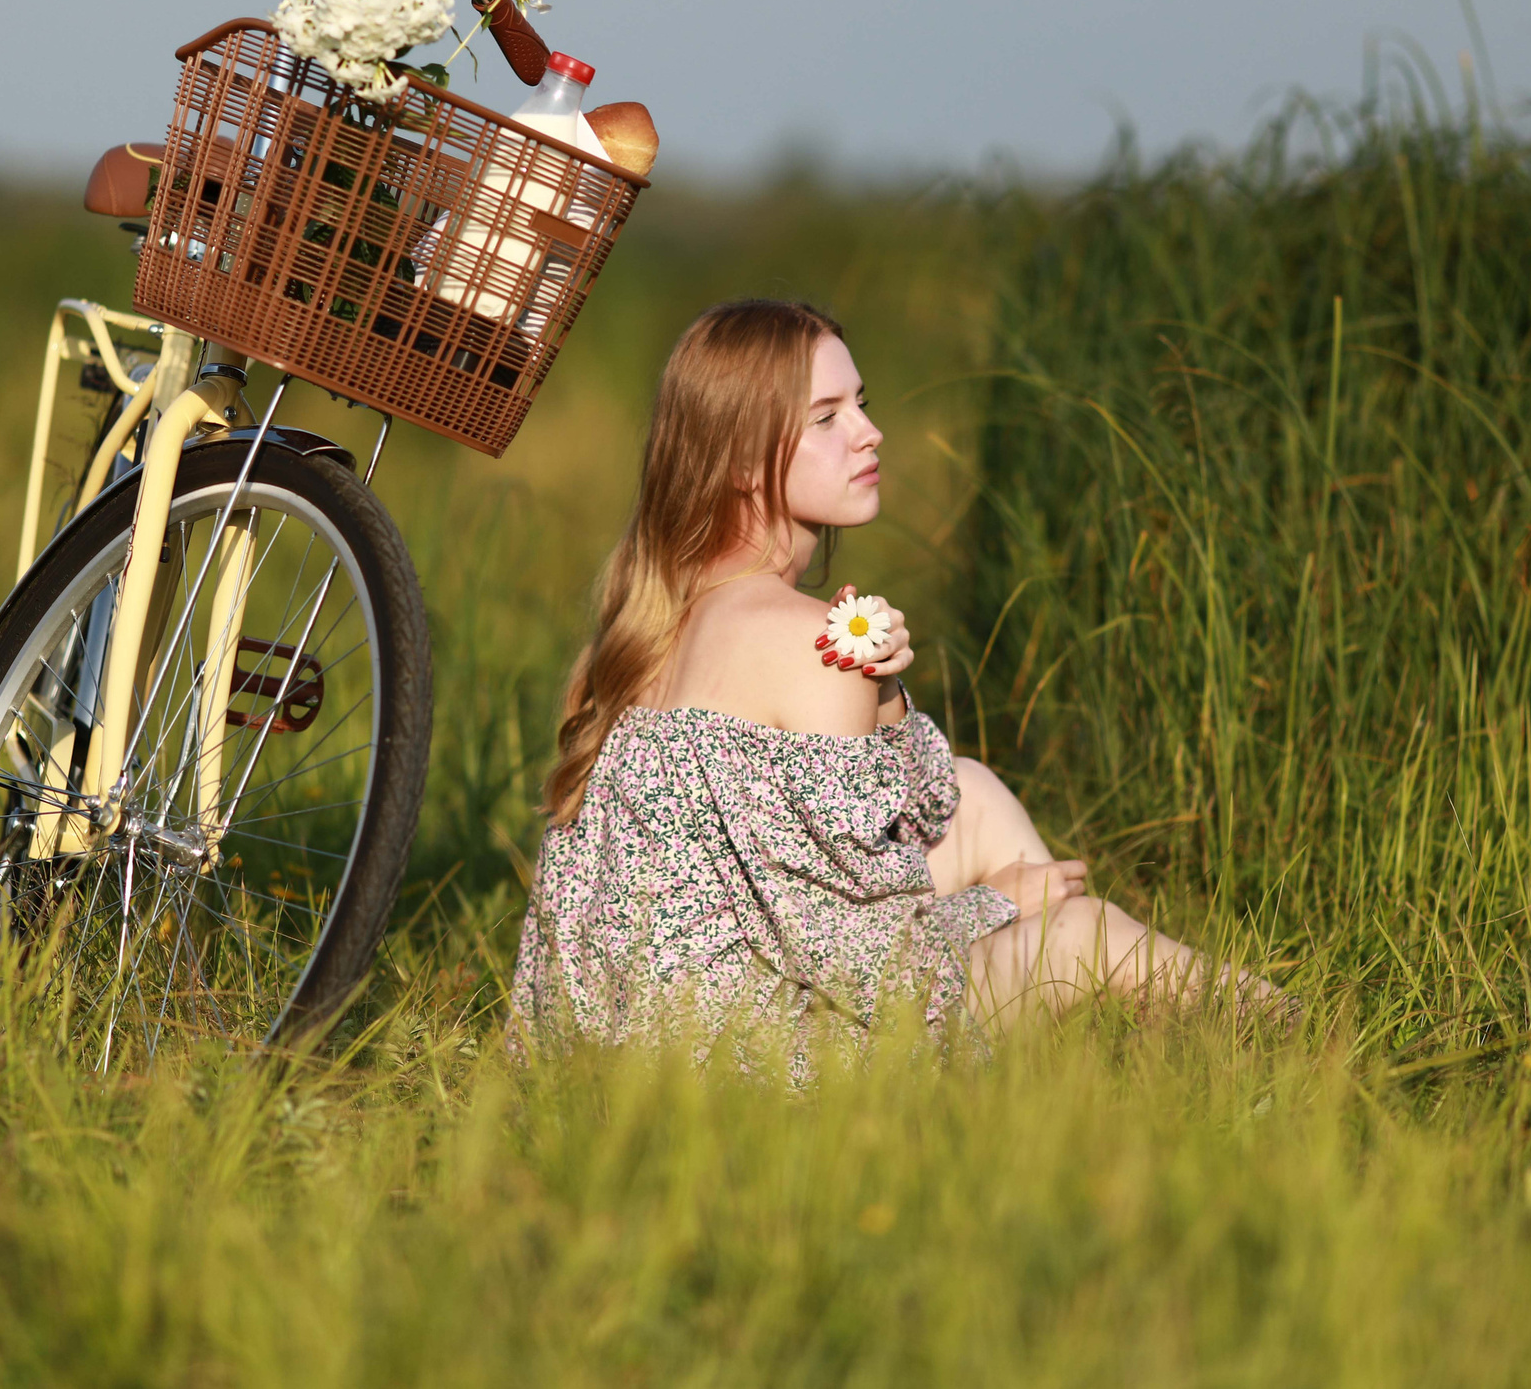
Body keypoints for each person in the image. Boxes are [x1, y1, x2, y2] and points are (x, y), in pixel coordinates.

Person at [510, 298, 1281, 1071]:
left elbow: (793, 863)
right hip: (757, 1075)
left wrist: (882, 699)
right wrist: (1006, 901)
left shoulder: (641, 630)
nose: (869, 432)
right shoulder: (806, 640)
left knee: (969, 791)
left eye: (861, 405)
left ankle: (1084, 1054)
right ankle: (1302, 1037)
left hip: (610, 1057)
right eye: (825, 418)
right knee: (1081, 934)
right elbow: (862, 959)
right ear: (743, 463)